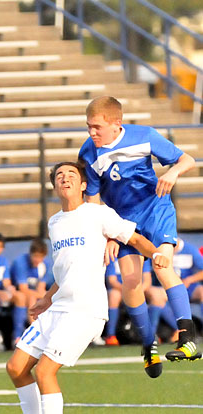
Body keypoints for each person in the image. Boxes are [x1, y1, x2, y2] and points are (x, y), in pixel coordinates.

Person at [6, 160, 170, 414]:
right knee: (15, 368)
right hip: (58, 308)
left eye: (71, 174)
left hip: (85, 311)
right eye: (59, 175)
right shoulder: (54, 223)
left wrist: (157, 254)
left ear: (83, 184)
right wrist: (47, 298)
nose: (65, 178)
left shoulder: (98, 213)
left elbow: (135, 238)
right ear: (55, 186)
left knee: (45, 371)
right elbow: (63, 271)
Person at [78, 96, 201, 372]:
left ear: (116, 124)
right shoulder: (89, 152)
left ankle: (188, 338)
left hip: (155, 208)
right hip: (121, 219)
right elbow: (94, 199)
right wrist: (108, 233)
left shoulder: (144, 136)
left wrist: (173, 173)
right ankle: (148, 344)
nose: (91, 132)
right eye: (88, 126)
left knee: (162, 265)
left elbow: (187, 159)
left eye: (97, 127)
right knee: (131, 282)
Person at [105, 259, 151, 346]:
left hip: (138, 290)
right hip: (120, 289)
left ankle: (150, 333)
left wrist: (138, 291)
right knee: (114, 295)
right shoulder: (113, 253)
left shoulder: (141, 253)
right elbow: (112, 281)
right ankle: (110, 335)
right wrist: (127, 290)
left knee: (158, 296)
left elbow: (147, 281)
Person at [10, 238, 53, 324]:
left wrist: (46, 296)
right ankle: (31, 328)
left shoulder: (45, 265)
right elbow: (23, 289)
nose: (37, 260)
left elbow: (41, 288)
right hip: (15, 293)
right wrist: (44, 295)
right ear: (30, 254)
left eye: (40, 257)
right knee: (30, 298)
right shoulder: (21, 263)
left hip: (33, 293)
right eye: (35, 256)